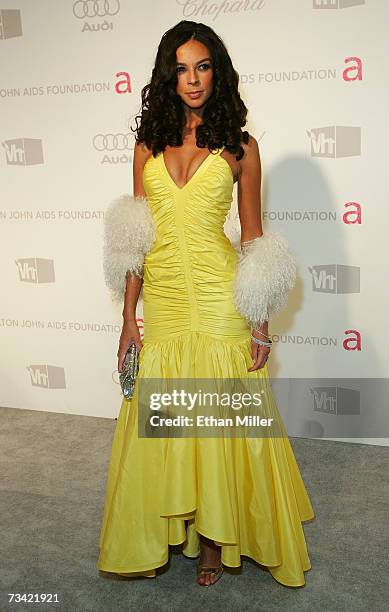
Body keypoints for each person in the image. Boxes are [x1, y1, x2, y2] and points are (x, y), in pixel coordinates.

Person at [97, 20, 315, 588]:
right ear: (167, 77)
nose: (192, 80)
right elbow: (133, 238)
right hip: (165, 302)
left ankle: (217, 539)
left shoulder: (241, 146)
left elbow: (253, 239)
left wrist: (261, 323)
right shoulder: (147, 144)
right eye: (181, 69)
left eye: (203, 66)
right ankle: (176, 524)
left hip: (221, 299)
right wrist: (128, 319)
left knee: (218, 421)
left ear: (218, 71)